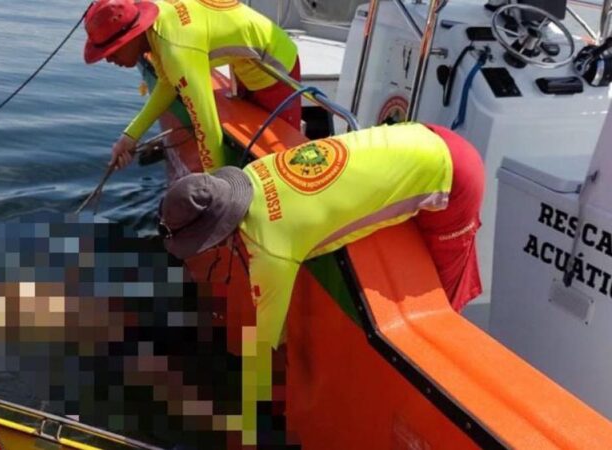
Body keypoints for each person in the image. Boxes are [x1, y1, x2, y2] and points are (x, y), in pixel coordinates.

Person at [157, 122, 485, 444]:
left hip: (454, 174)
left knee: (446, 300)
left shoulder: (271, 250)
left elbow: (266, 346)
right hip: (421, 133)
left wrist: (248, 417)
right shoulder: (259, 170)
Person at [83, 0, 301, 173]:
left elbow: (206, 125)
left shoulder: (177, 51)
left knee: (281, 158)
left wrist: (214, 190)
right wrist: (129, 137)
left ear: (131, 36)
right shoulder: (158, 25)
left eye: (112, 50)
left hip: (276, 67)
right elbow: (168, 83)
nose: (108, 59)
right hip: (245, 66)